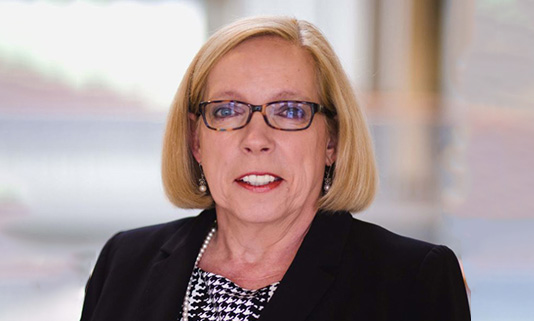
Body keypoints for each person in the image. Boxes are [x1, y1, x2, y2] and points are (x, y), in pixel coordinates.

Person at [80, 16, 471, 321]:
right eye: (227, 110)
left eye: (289, 111)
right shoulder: (124, 261)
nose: (256, 138)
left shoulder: (412, 280)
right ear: (196, 140)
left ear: (332, 141)